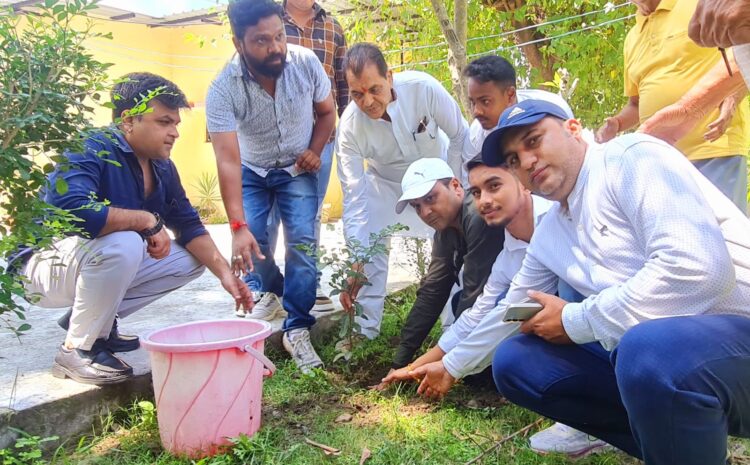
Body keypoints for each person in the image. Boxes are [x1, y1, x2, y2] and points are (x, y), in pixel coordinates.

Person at [473, 98, 750, 465]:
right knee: (517, 362)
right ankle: (681, 450)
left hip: (736, 337)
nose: (525, 161)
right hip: (674, 355)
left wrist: (575, 320)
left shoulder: (631, 158)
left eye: (534, 140)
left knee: (646, 349)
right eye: (512, 160)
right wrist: (448, 365)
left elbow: (699, 271)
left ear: (573, 129)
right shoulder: (551, 230)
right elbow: (510, 310)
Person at [6, 72, 253, 385]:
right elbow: (74, 210)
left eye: (176, 123)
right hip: (38, 268)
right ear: (128, 121)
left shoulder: (161, 165)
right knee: (125, 242)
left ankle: (97, 322)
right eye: (164, 122)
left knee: (191, 260)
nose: (175, 132)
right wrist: (146, 220)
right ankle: (77, 349)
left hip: (85, 262)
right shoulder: (89, 148)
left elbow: (188, 224)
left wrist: (226, 276)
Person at [382, 155, 606, 458]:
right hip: (596, 328)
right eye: (478, 193)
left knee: (567, 289)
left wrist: (448, 365)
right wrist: (421, 365)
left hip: (629, 319)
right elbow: (491, 312)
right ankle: (592, 414)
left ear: (522, 183)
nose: (484, 201)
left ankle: (598, 412)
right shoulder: (512, 251)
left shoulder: (560, 219)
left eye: (494, 186)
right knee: (513, 353)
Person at [206, 0, 336, 373]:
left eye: (278, 35)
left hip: (297, 169)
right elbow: (227, 159)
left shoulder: (306, 63)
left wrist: (315, 149)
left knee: (303, 246)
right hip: (252, 170)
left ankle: (297, 328)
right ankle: (275, 290)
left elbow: (327, 113)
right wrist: (236, 227)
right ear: (238, 42)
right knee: (254, 242)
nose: (275, 47)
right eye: (261, 41)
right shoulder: (222, 88)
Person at [336, 42, 468, 339]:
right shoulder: (349, 128)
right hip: (387, 186)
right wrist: (356, 258)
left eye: (374, 89)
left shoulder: (423, 88)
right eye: (357, 94)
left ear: (390, 77)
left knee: (456, 248)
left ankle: (455, 328)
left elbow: (461, 135)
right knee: (368, 244)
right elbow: (354, 199)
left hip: (440, 179)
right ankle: (363, 332)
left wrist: (456, 187)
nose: (367, 101)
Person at [244, 0, 349, 313]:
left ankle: (306, 285)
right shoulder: (267, 20)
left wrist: (344, 132)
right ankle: (263, 289)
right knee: (265, 220)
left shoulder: (333, 27)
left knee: (308, 217)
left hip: (321, 139)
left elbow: (341, 85)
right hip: (272, 143)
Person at [596, 0, 749, 212]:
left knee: (727, 237)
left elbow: (741, 50)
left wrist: (731, 98)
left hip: (712, 148)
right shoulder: (632, 37)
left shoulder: (694, 4)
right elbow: (635, 102)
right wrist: (618, 122)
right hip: (661, 162)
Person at [386, 158, 505, 373]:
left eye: (431, 198)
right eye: (417, 207)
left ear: (456, 187)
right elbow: (433, 290)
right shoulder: (446, 230)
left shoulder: (478, 215)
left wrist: (449, 358)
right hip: (493, 301)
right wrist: (400, 362)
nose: (425, 212)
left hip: (528, 297)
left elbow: (475, 293)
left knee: (473, 370)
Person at [462, 55, 573, 165]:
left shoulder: (552, 108)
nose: (476, 111)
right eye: (473, 102)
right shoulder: (476, 138)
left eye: (485, 101)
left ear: (510, 95)